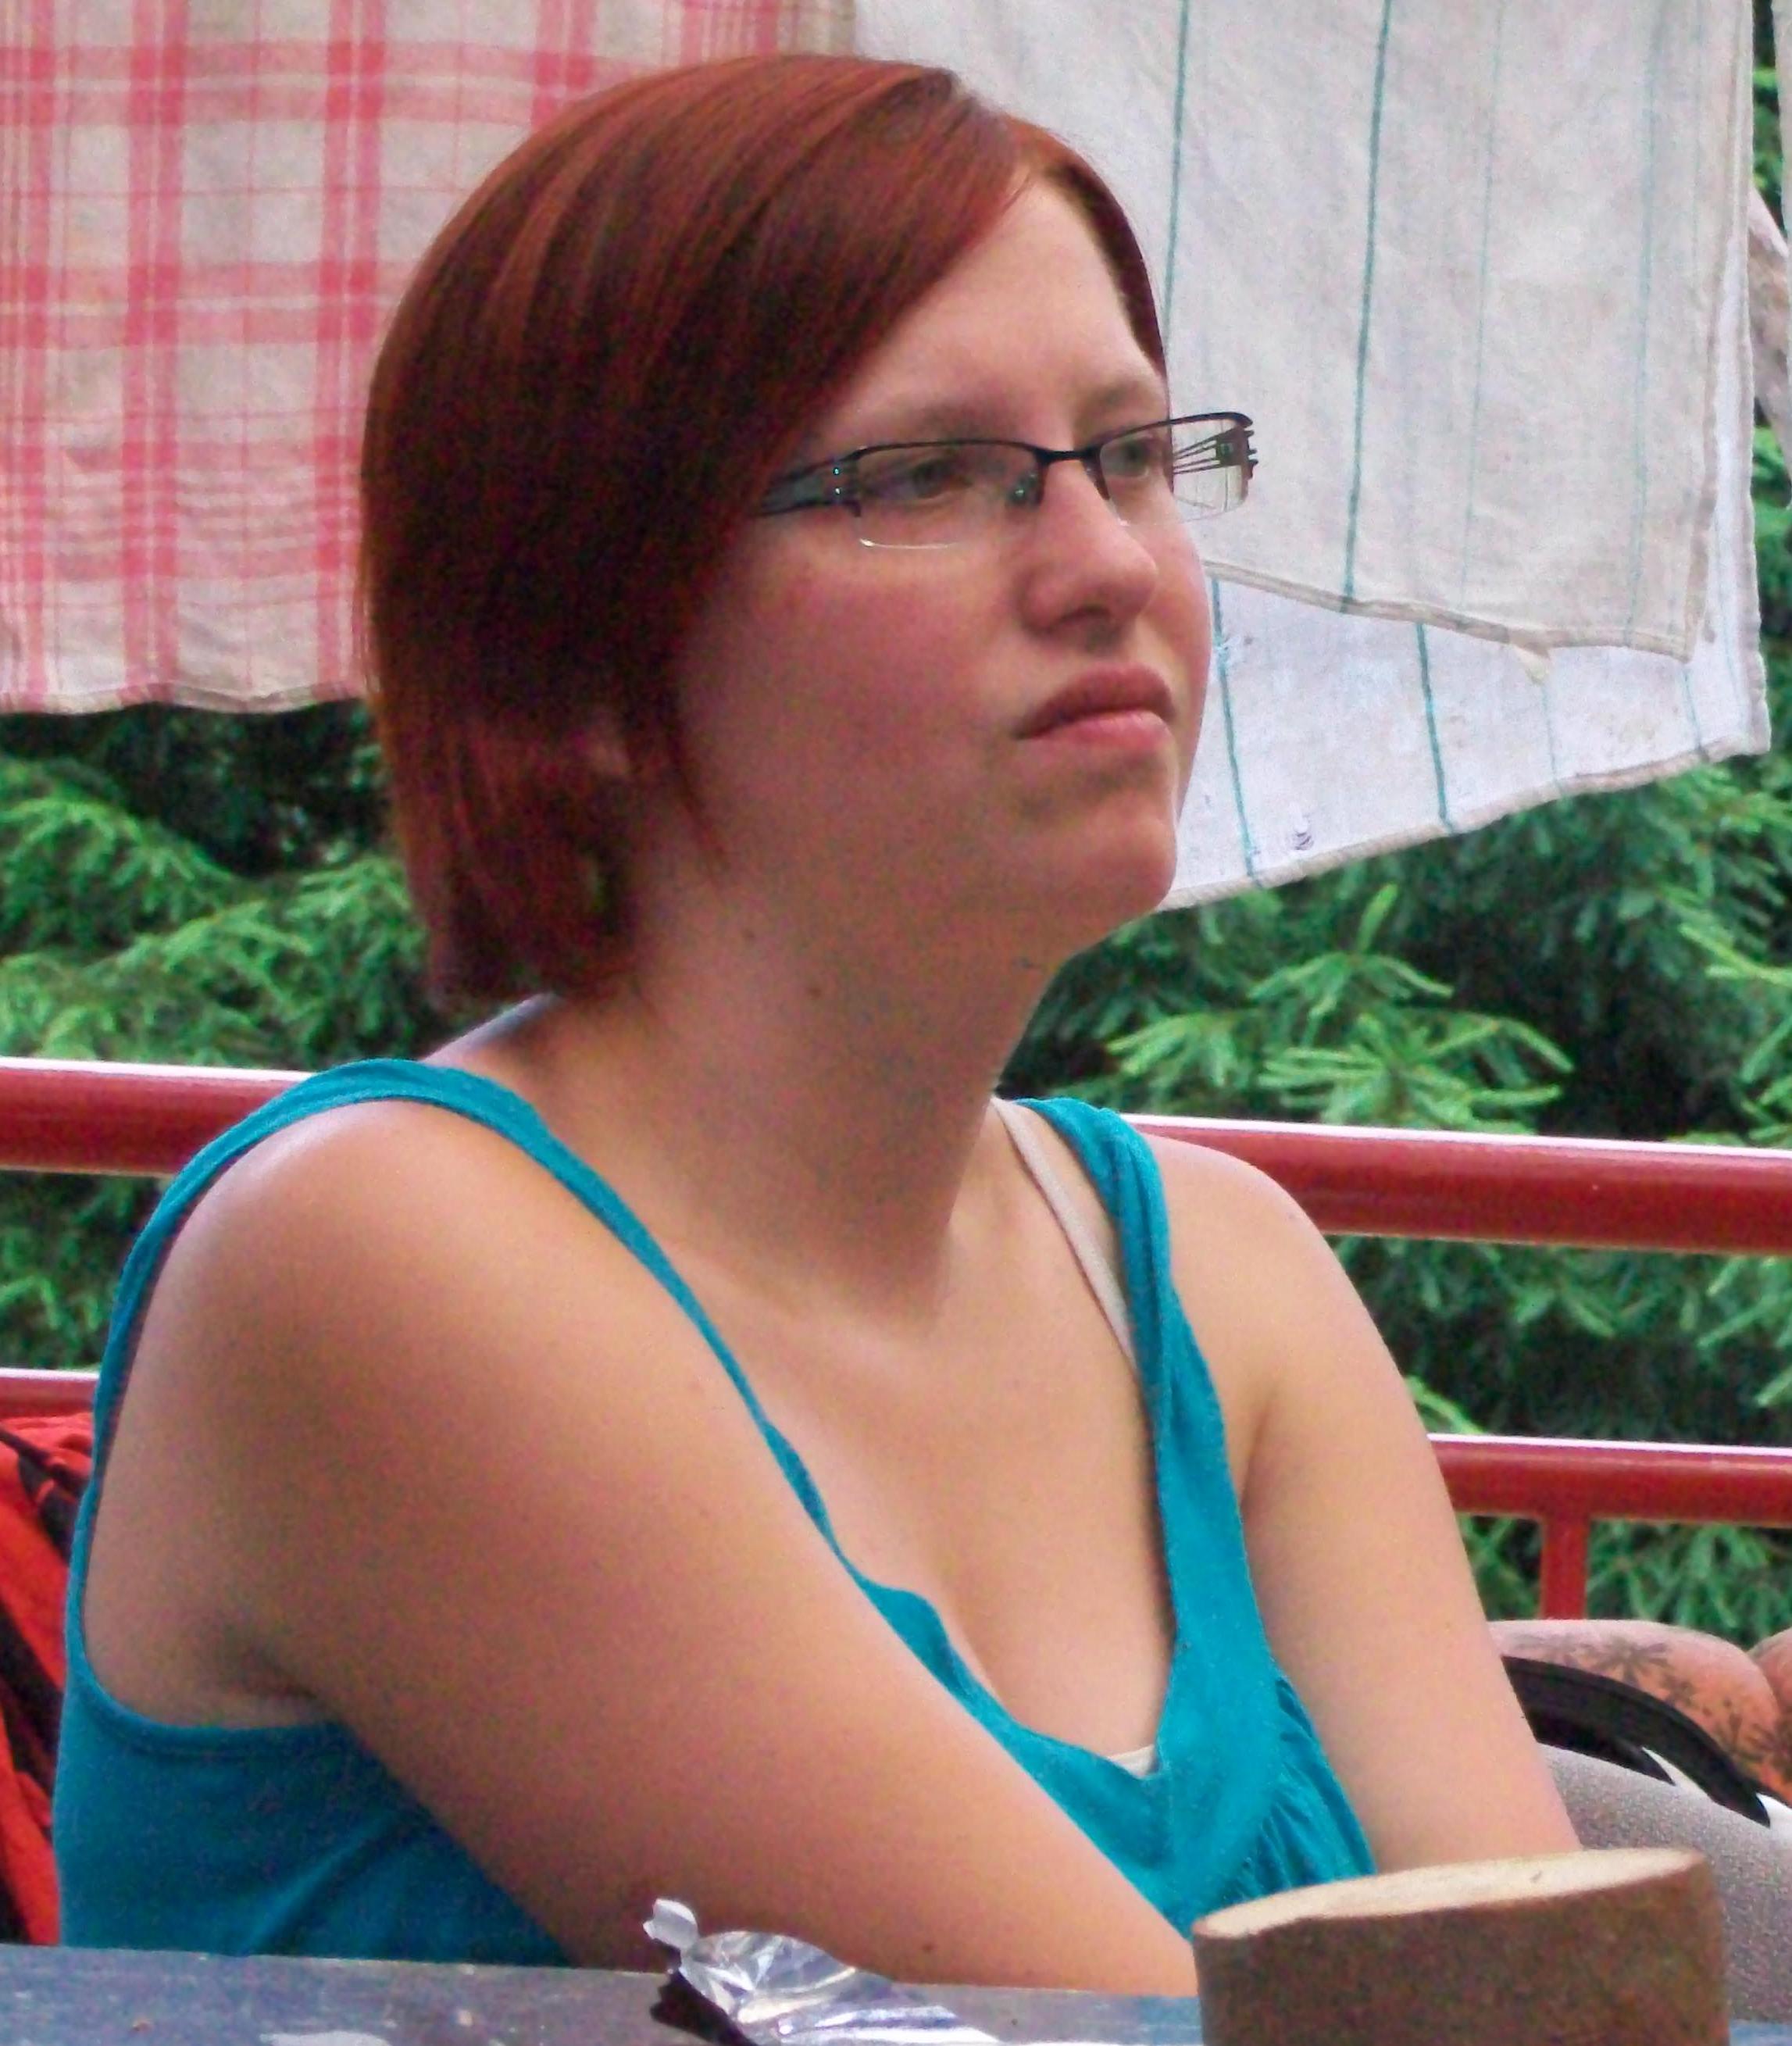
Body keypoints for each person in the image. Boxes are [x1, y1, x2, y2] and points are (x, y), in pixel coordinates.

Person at [52, 52, 1576, 1988]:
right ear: (574, 658)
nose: (1108, 563)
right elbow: (1057, 2032)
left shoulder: (1221, 1274)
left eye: (1131, 453)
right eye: (923, 476)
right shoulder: (380, 1256)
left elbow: (1553, 1999)